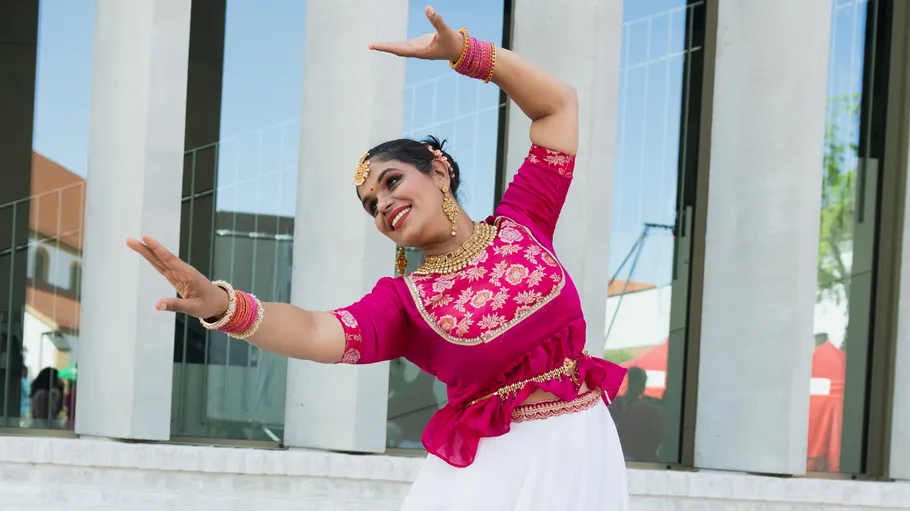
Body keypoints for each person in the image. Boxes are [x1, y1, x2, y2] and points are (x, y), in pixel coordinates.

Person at [128, 6, 629, 509]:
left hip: (585, 454)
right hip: (495, 479)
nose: (383, 204)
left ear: (438, 169)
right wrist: (220, 304)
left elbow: (558, 107)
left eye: (391, 182)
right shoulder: (404, 305)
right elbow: (312, 331)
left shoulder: (525, 218)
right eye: (372, 206)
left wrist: (469, 55)